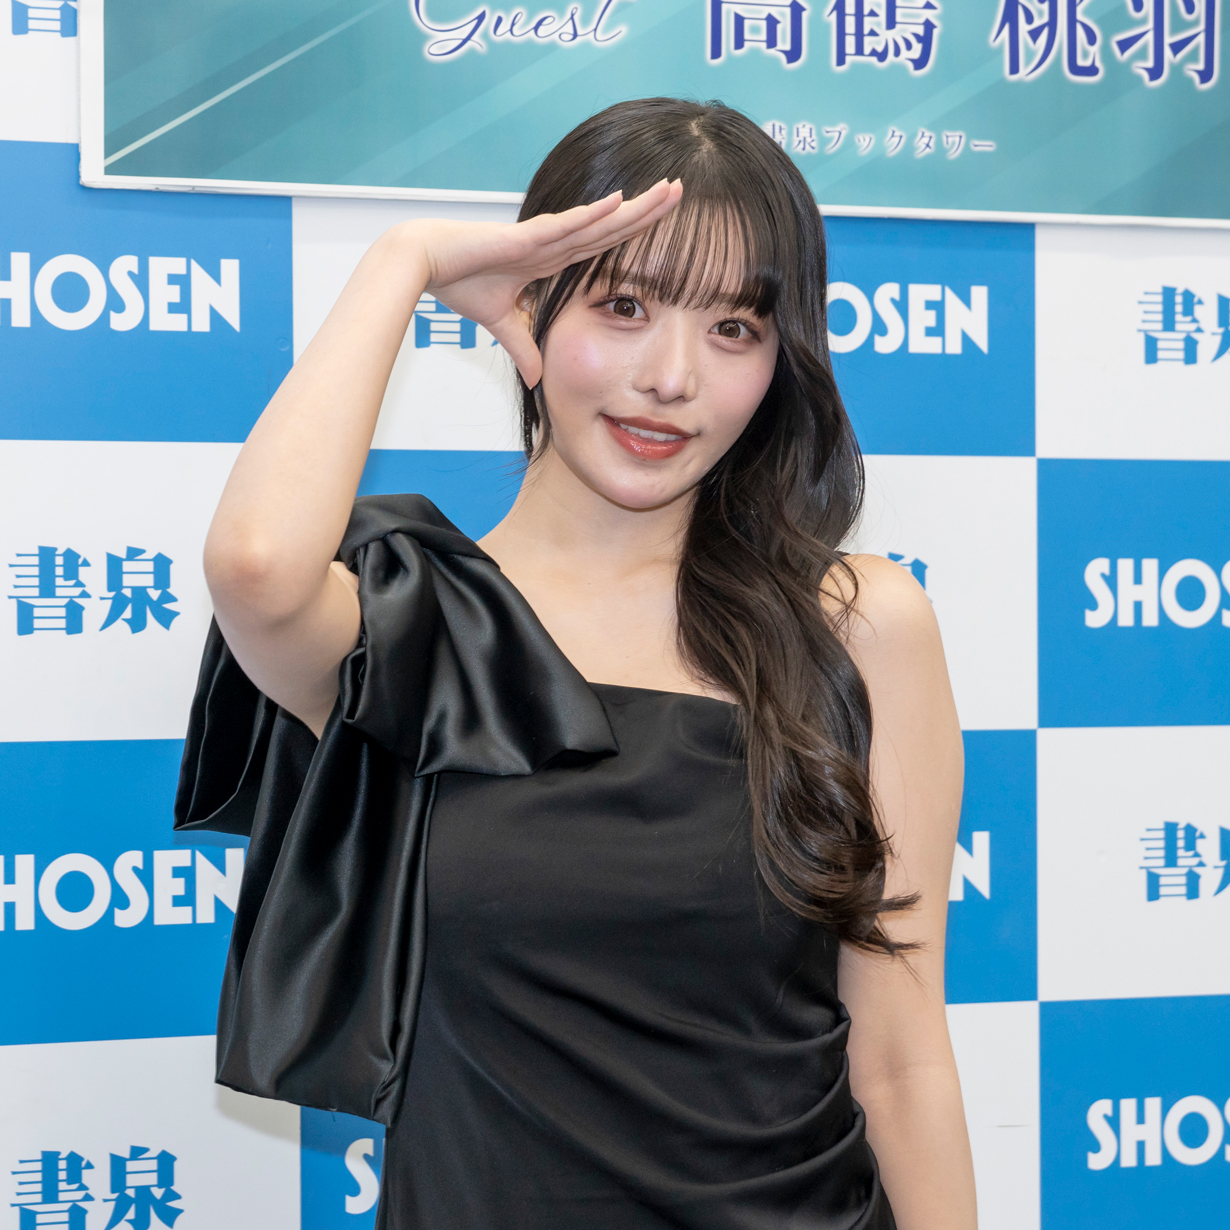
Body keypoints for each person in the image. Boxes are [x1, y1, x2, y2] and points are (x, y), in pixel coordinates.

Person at [181, 97, 975, 1229]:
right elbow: (255, 566)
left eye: (734, 328)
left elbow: (900, 1057)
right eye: (625, 306)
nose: (673, 377)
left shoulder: (858, 624)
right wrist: (405, 261)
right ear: (530, 307)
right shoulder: (411, 627)